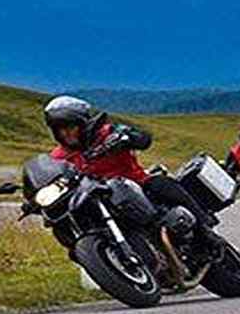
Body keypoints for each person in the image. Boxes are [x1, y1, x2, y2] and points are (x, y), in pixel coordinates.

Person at [42, 96, 222, 267]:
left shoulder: (106, 133)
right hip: (101, 200)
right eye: (60, 129)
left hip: (138, 184)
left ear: (83, 124)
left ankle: (203, 229)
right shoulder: (58, 157)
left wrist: (128, 137)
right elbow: (50, 176)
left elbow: (144, 139)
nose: (66, 133)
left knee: (162, 184)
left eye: (70, 127)